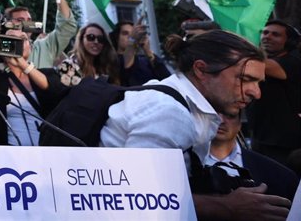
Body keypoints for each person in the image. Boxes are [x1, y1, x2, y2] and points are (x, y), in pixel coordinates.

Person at [100, 30, 291, 220]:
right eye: (245, 79)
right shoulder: (170, 112)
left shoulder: (177, 101)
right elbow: (140, 196)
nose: (256, 93)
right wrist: (228, 206)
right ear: (201, 70)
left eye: (258, 82)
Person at [0, 29, 62, 146]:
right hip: (8, 155)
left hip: (45, 152)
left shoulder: (47, 74)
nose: (18, 43)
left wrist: (22, 64)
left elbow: (55, 91)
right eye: (11, 40)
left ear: (31, 46)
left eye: (23, 39)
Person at [206, 111, 299, 201]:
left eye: (230, 115)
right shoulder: (191, 164)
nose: (221, 120)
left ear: (239, 124)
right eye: (214, 114)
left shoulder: (279, 175)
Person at [248, 19, 301, 167]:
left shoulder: (294, 60)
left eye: (275, 34)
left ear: (289, 42)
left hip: (284, 143)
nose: (267, 36)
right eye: (265, 32)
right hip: (260, 136)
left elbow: (267, 66)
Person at [6, 0, 77, 68]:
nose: (26, 24)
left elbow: (67, 27)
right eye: (20, 20)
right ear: (8, 24)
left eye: (29, 20)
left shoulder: (44, 47)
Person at [110, 21, 170, 86]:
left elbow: (167, 80)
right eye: (125, 33)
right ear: (116, 37)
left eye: (133, 34)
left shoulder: (145, 59)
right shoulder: (113, 61)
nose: (130, 36)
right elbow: (127, 66)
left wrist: (148, 51)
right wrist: (132, 40)